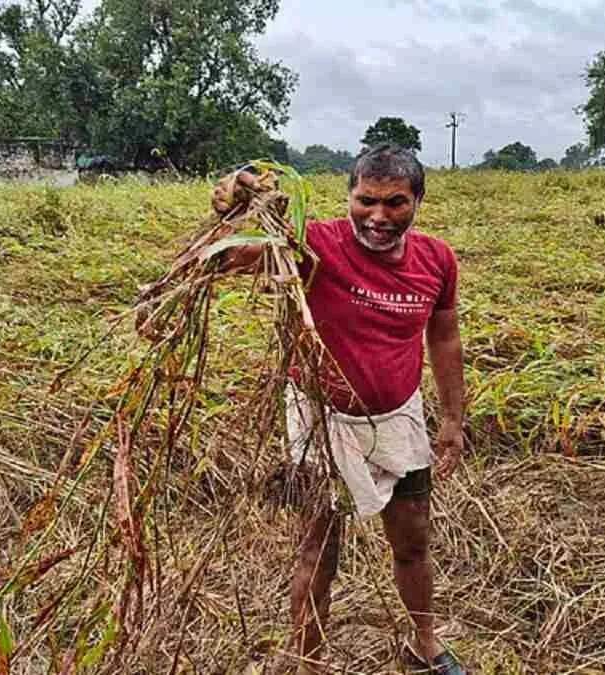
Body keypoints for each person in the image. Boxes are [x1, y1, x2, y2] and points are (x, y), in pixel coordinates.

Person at [148, 144, 467, 673]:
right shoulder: (313, 243)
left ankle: (424, 642)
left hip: (399, 418)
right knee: (318, 552)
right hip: (323, 420)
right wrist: (235, 198)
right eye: (366, 201)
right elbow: (225, 257)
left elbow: (446, 338)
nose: (379, 217)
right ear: (350, 196)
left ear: (418, 202)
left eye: (395, 203)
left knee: (413, 541)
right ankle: (308, 661)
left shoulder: (436, 259)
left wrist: (453, 421)